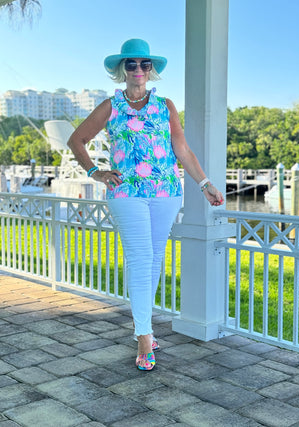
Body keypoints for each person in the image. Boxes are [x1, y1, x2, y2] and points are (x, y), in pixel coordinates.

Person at [67, 38, 224, 371]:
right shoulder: (110, 106)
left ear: (151, 70)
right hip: (126, 193)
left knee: (153, 259)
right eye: (132, 64)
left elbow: (182, 150)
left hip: (166, 192)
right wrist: (96, 172)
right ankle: (143, 337)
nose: (138, 70)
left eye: (144, 64)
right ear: (122, 70)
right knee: (139, 258)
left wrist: (205, 183)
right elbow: (76, 140)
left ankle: (144, 328)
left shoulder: (165, 105)